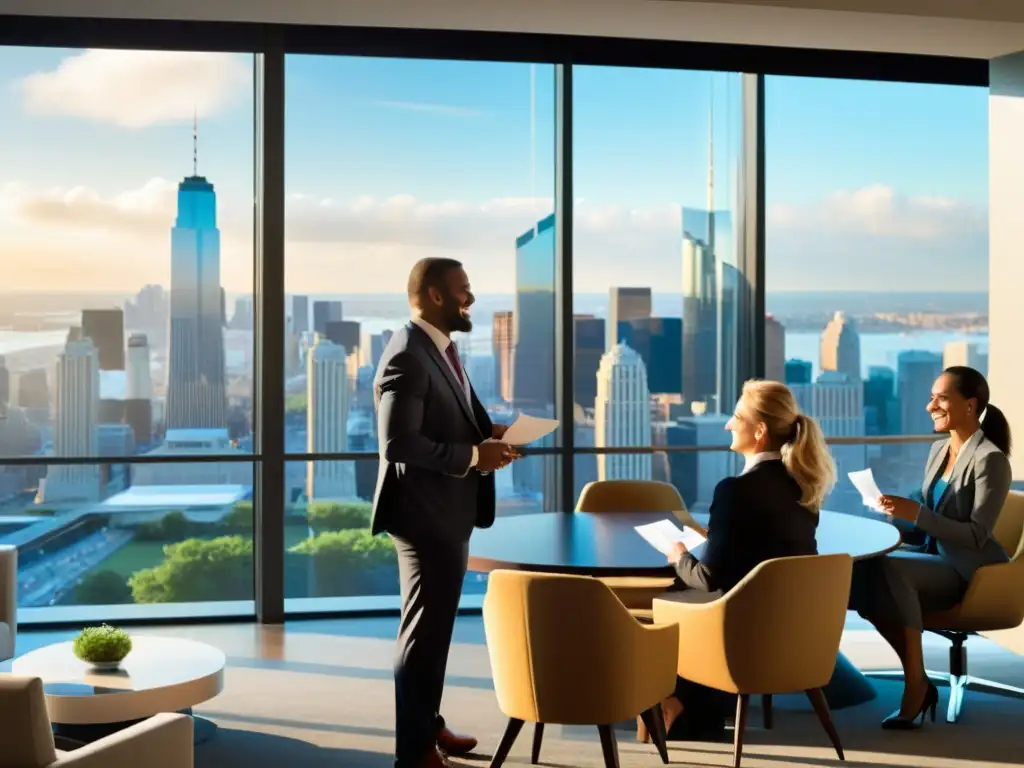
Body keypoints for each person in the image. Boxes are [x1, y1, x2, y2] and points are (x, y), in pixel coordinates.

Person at [373, 257, 520, 768]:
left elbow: (456, 420)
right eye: (464, 289)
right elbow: (398, 443)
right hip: (423, 516)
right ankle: (413, 752)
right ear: (435, 296)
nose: (471, 298)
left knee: (432, 634)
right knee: (421, 636)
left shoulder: (441, 351)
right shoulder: (409, 356)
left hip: (445, 513)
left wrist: (492, 436)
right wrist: (475, 458)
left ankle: (427, 727)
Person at [657, 380, 836, 739]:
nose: (727, 424)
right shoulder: (803, 485)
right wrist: (722, 538)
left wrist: (679, 554)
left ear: (759, 431)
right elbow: (770, 552)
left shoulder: (735, 490)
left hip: (743, 631)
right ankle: (704, 705)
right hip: (794, 627)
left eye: (736, 417)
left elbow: (709, 578)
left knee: (667, 599)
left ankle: (679, 701)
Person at [849, 366, 1012, 730]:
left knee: (890, 571)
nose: (929, 406)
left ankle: (915, 686)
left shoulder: (991, 460)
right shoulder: (939, 450)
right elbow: (926, 517)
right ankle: (917, 677)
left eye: (941, 398)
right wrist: (894, 512)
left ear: (970, 405)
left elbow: (976, 536)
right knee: (865, 572)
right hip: (933, 557)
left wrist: (918, 514)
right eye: (931, 396)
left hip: (972, 572)